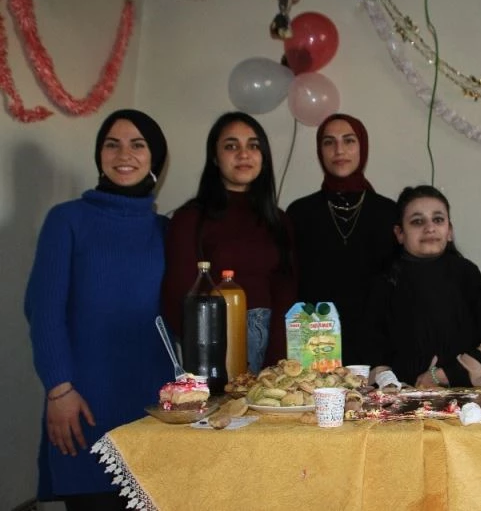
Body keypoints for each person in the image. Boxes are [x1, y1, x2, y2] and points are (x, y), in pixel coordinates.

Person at [25, 109, 173, 510]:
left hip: (154, 409)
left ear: (155, 158)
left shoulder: (166, 230)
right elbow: (44, 312)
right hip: (83, 403)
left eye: (137, 145)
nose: (124, 154)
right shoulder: (67, 220)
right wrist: (59, 390)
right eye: (112, 144)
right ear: (100, 155)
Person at [162, 112, 296, 371]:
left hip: (272, 356)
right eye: (231, 146)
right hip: (212, 354)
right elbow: (179, 298)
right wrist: (211, 360)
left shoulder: (280, 221)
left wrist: (274, 363)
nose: (244, 154)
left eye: (253, 146)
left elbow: (286, 294)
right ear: (215, 157)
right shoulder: (190, 218)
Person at [362, 185, 481, 387]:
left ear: (449, 231)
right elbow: (371, 352)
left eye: (438, 220)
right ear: (399, 233)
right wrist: (393, 386)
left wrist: (442, 376)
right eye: (417, 221)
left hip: (465, 398)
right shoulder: (384, 281)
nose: (430, 228)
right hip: (399, 400)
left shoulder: (466, 274)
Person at [287, 113, 397, 365]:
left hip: (377, 343)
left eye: (349, 140)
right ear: (320, 151)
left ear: (363, 147)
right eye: (329, 142)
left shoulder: (388, 212)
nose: (339, 150)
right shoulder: (299, 213)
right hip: (315, 345)